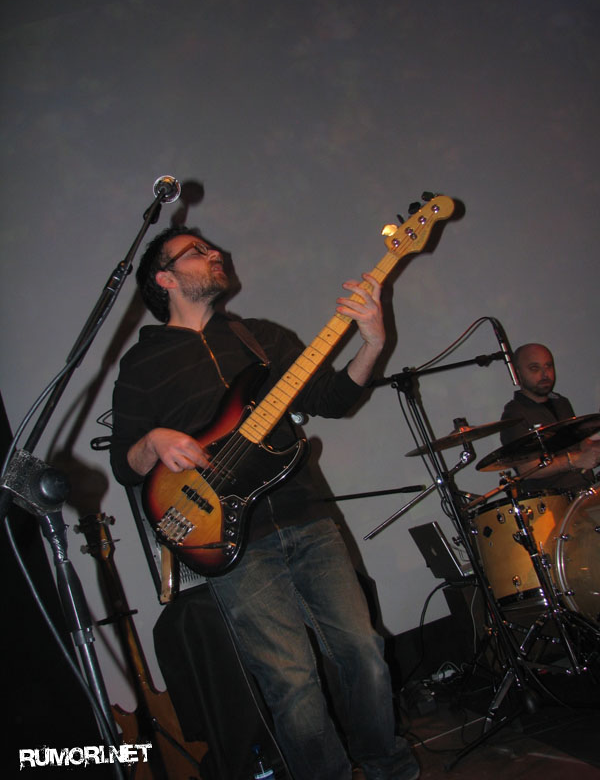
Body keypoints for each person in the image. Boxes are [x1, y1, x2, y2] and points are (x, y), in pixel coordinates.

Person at [109, 224, 420, 780]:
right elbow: (124, 464)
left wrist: (373, 342)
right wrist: (153, 441)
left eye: (210, 247)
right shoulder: (141, 366)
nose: (215, 253)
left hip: (306, 515)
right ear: (165, 278)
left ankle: (389, 768)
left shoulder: (260, 339)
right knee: (291, 682)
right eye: (197, 251)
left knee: (365, 653)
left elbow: (331, 398)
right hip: (230, 540)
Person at [499, 343, 600, 494]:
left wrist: (592, 447)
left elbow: (579, 443)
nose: (545, 374)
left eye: (548, 366)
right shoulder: (514, 414)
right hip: (553, 500)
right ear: (517, 373)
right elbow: (527, 468)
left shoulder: (561, 402)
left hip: (584, 490)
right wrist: (575, 460)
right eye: (535, 368)